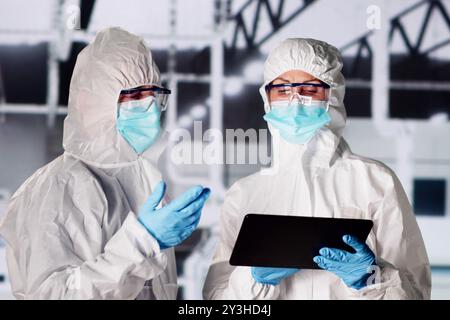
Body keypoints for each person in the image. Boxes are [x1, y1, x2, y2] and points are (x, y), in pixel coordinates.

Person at [203, 38, 431, 300]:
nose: (294, 101)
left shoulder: (376, 182)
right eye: (282, 90)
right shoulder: (244, 194)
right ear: (267, 99)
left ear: (333, 96)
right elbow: (216, 299)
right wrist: (253, 279)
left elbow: (417, 293)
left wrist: (370, 278)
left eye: (309, 90)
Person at [0, 27, 210, 300]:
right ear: (90, 103)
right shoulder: (57, 187)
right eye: (135, 97)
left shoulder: (146, 179)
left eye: (154, 96)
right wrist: (143, 242)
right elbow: (54, 295)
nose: (151, 112)